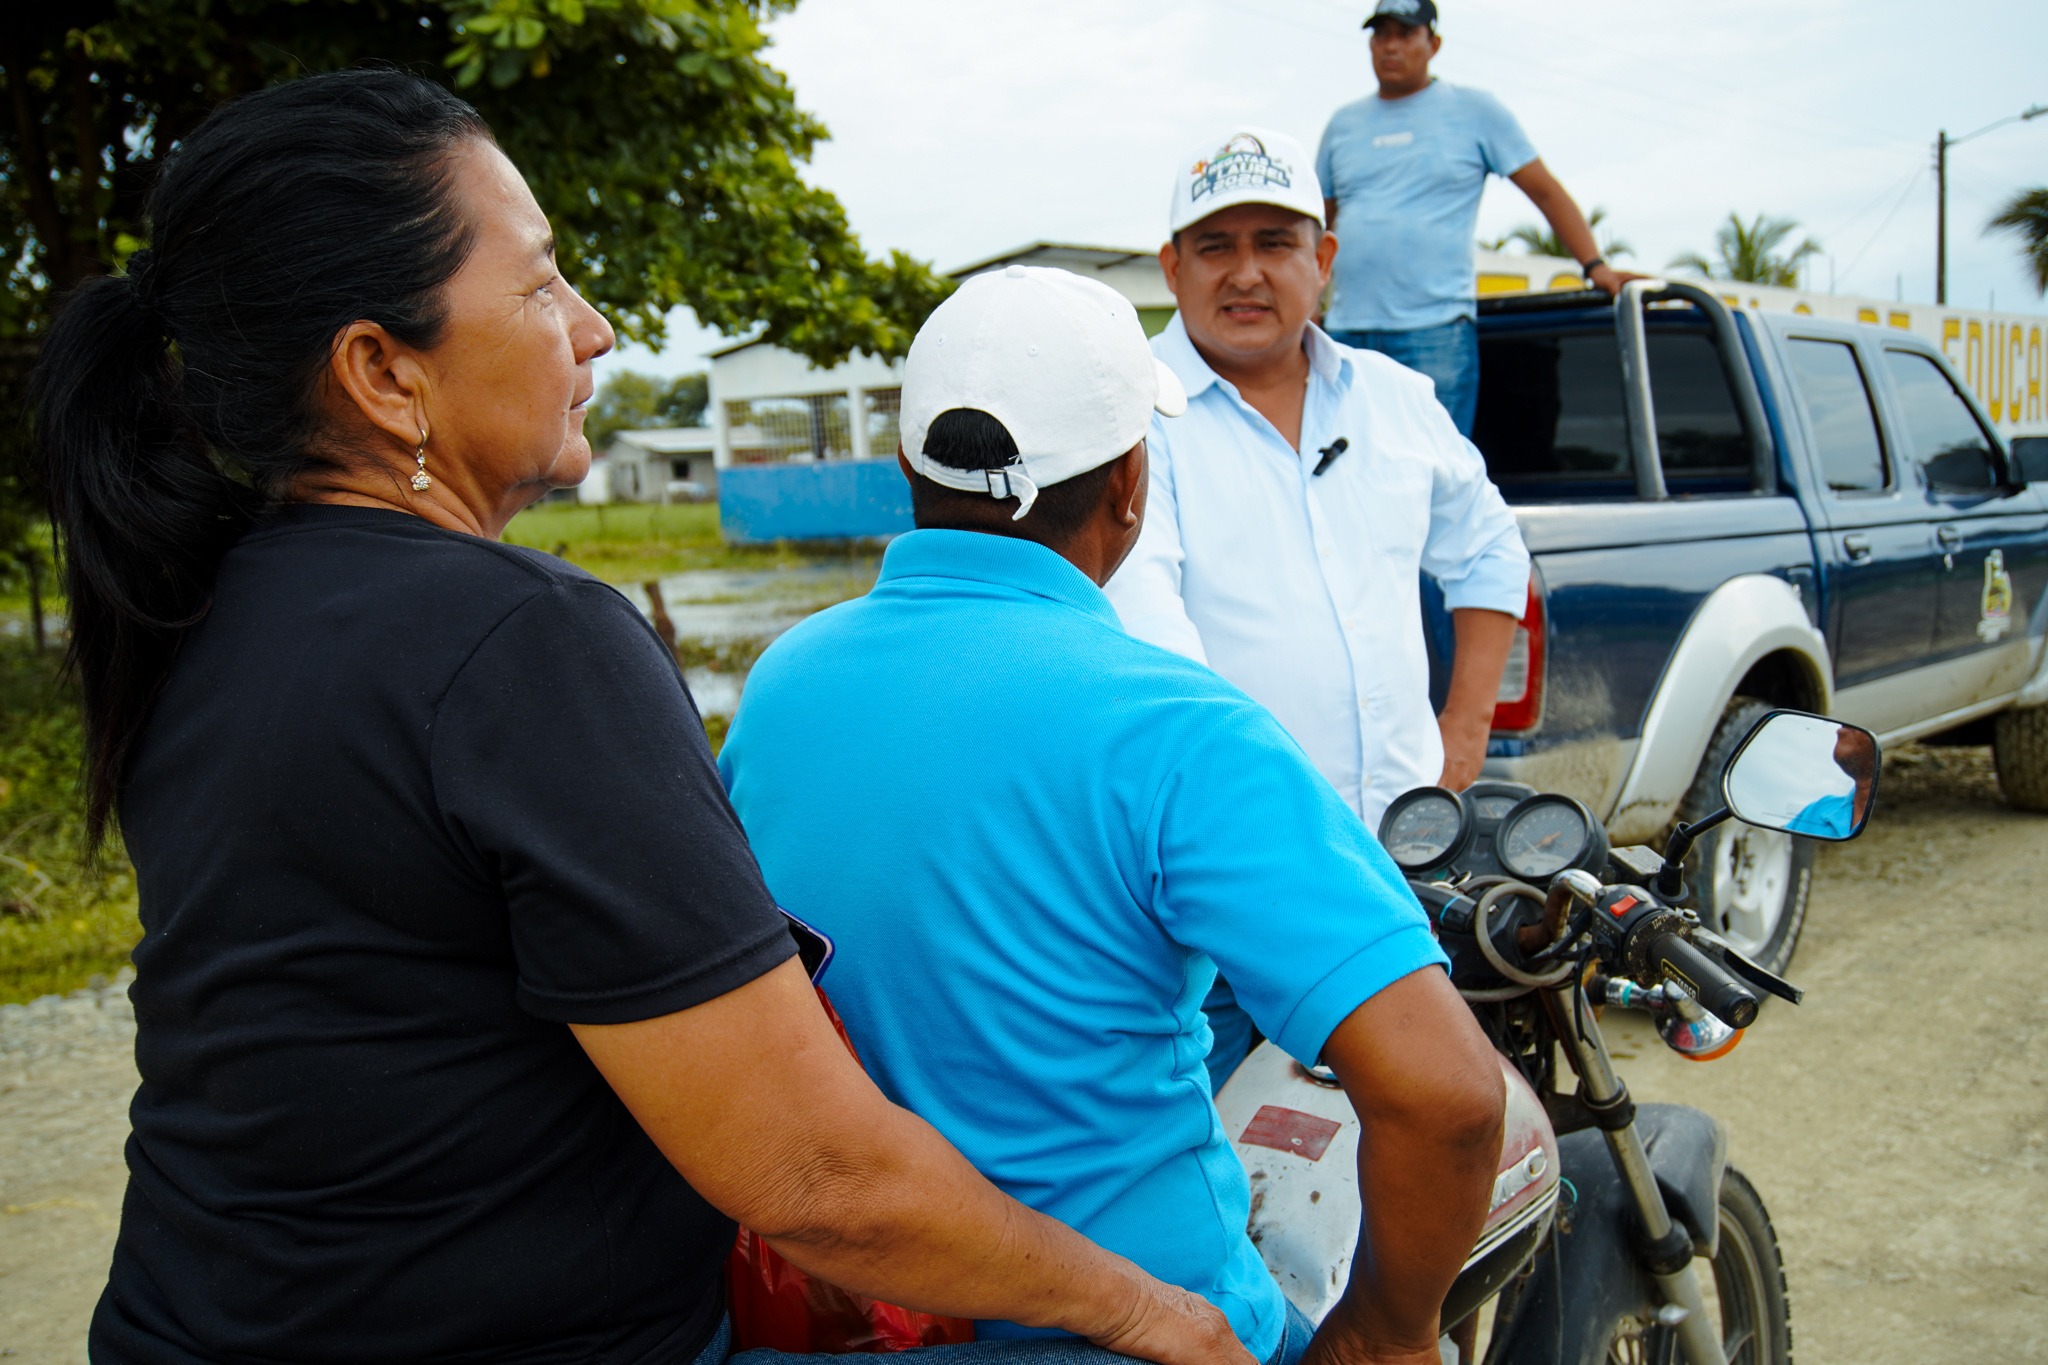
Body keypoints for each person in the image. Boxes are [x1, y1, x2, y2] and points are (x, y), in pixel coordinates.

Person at [33, 71, 1252, 1365]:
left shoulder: (201, 607)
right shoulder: (523, 643)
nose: (595, 329)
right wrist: (1149, 1310)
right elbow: (820, 1177)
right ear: (383, 372)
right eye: (539, 285)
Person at [719, 265, 1507, 1365]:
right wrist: (1384, 1333)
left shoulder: (783, 684)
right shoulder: (1180, 730)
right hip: (1140, 1329)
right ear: (1131, 483)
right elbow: (1449, 1094)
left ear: (908, 467)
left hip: (832, 1319)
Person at [1103, 126, 1529, 1086]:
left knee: (1416, 1133)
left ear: (1323, 259)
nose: (1246, 273)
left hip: (1407, 870)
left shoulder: (1396, 398)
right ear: (1172, 267)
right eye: (1216, 246)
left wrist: (1466, 731)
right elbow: (1153, 639)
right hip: (1224, 893)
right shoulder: (1132, 419)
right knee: (1228, 1153)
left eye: (1275, 243)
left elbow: (1491, 550)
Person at [1317, 0, 1642, 435]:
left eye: (1405, 34)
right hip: (1345, 334)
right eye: (1381, 34)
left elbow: (1545, 191)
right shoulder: (1343, 124)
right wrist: (1308, 309)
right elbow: (1315, 229)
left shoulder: (1476, 111)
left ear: (1433, 44)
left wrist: (1595, 265)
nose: (1391, 46)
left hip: (1434, 331)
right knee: (1341, 465)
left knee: (1436, 467)